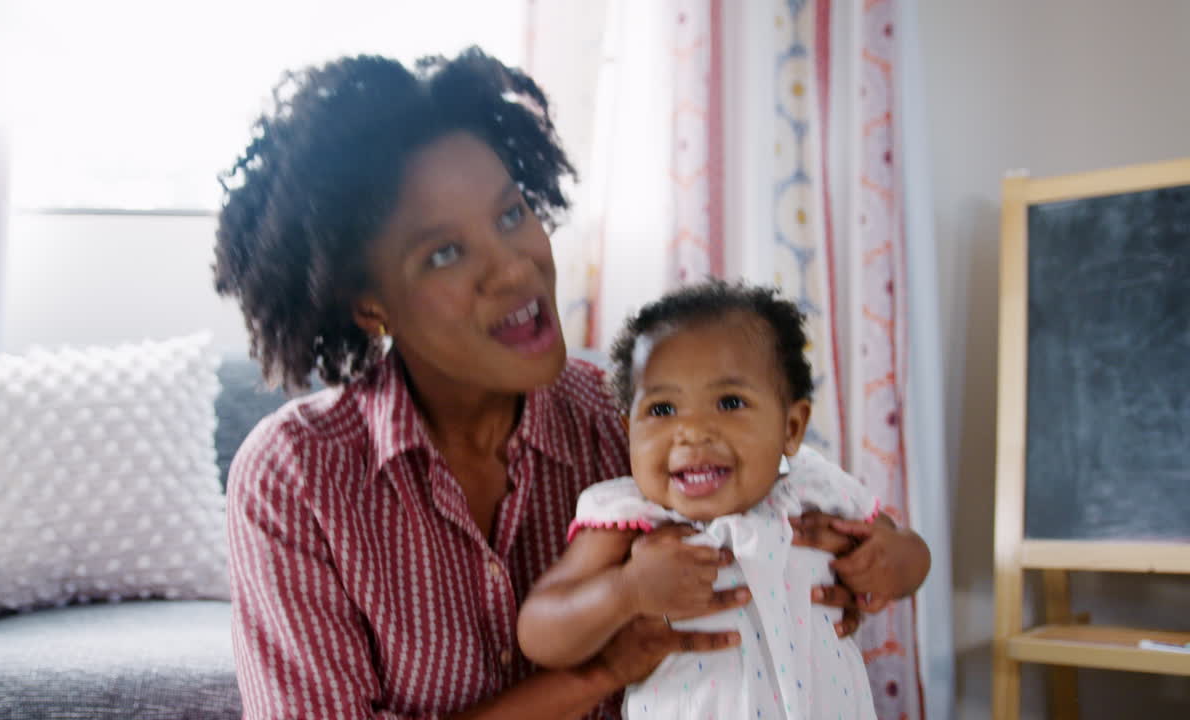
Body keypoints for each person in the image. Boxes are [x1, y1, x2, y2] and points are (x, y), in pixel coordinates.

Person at [213, 47, 926, 719]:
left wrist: (839, 572)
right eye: (445, 253)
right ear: (370, 306)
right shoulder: (295, 478)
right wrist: (597, 673)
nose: (514, 267)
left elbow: (803, 529)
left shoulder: (639, 423)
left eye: (511, 214)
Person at [517, 280, 931, 719]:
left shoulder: (817, 493)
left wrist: (889, 561)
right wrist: (628, 591)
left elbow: (913, 556)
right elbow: (539, 633)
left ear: (791, 427)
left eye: (729, 402)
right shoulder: (633, 519)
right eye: (662, 409)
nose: (693, 431)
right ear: (628, 430)